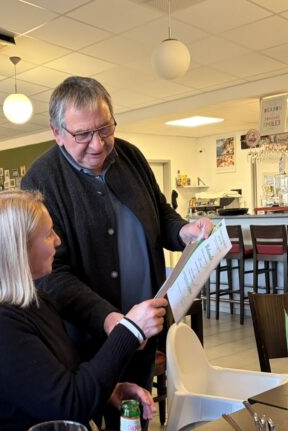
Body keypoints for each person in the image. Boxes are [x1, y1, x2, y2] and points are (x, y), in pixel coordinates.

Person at [20, 76, 213, 407]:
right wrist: (110, 319)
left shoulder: (130, 156)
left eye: (105, 129)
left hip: (145, 327)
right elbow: (52, 275)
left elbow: (159, 212)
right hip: (85, 343)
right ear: (57, 133)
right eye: (83, 134)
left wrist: (184, 232)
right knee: (92, 427)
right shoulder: (41, 180)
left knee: (136, 418)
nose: (97, 144)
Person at [0, 190, 165, 431]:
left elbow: (56, 382)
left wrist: (108, 390)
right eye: (48, 234)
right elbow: (69, 406)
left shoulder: (35, 301)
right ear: (17, 248)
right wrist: (129, 331)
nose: (57, 241)